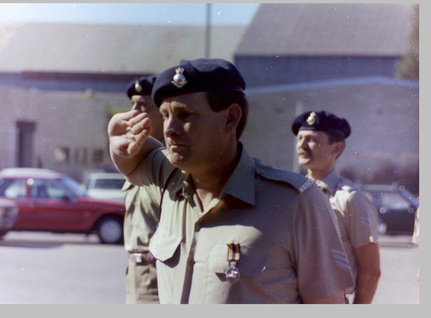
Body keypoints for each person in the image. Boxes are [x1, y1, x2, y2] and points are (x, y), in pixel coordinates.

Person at [108, 58, 354, 304]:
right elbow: (134, 157)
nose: (169, 129)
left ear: (230, 118)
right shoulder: (170, 179)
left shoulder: (295, 201)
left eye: (185, 115)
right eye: (165, 115)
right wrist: (116, 141)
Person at [292, 110, 381, 303]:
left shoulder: (349, 199)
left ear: (337, 148)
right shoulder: (292, 194)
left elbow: (371, 270)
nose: (302, 145)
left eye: (311, 139)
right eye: (299, 138)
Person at [121, 75, 163, 304]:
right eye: (133, 104)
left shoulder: (171, 163)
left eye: (144, 106)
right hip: (134, 272)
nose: (134, 111)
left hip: (157, 273)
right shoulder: (136, 160)